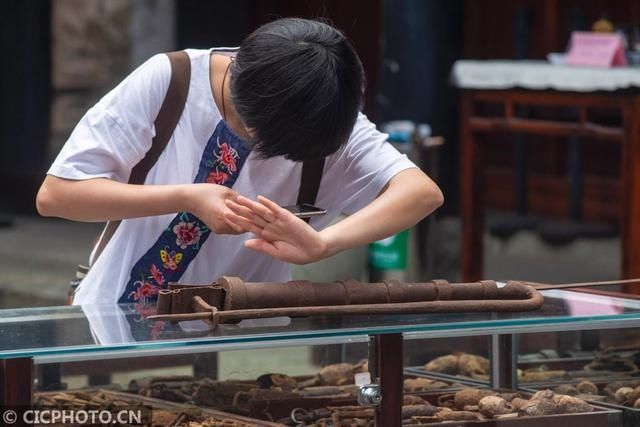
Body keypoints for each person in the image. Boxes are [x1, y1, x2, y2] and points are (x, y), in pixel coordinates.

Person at [36, 18, 443, 306]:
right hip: (114, 319)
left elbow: (421, 193)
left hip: (240, 337)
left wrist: (323, 244)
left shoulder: (325, 113)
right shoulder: (171, 80)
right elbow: (58, 195)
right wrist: (187, 197)